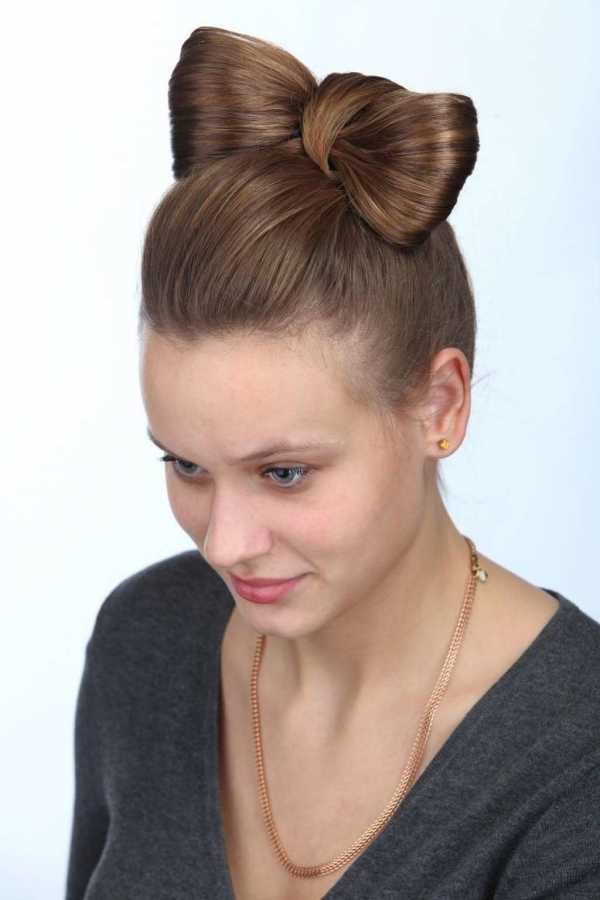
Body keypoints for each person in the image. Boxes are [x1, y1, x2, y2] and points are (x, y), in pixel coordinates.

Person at [65, 25, 600, 900]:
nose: (224, 544)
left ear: (439, 406)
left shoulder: (576, 758)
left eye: (283, 473)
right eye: (187, 466)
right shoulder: (146, 639)